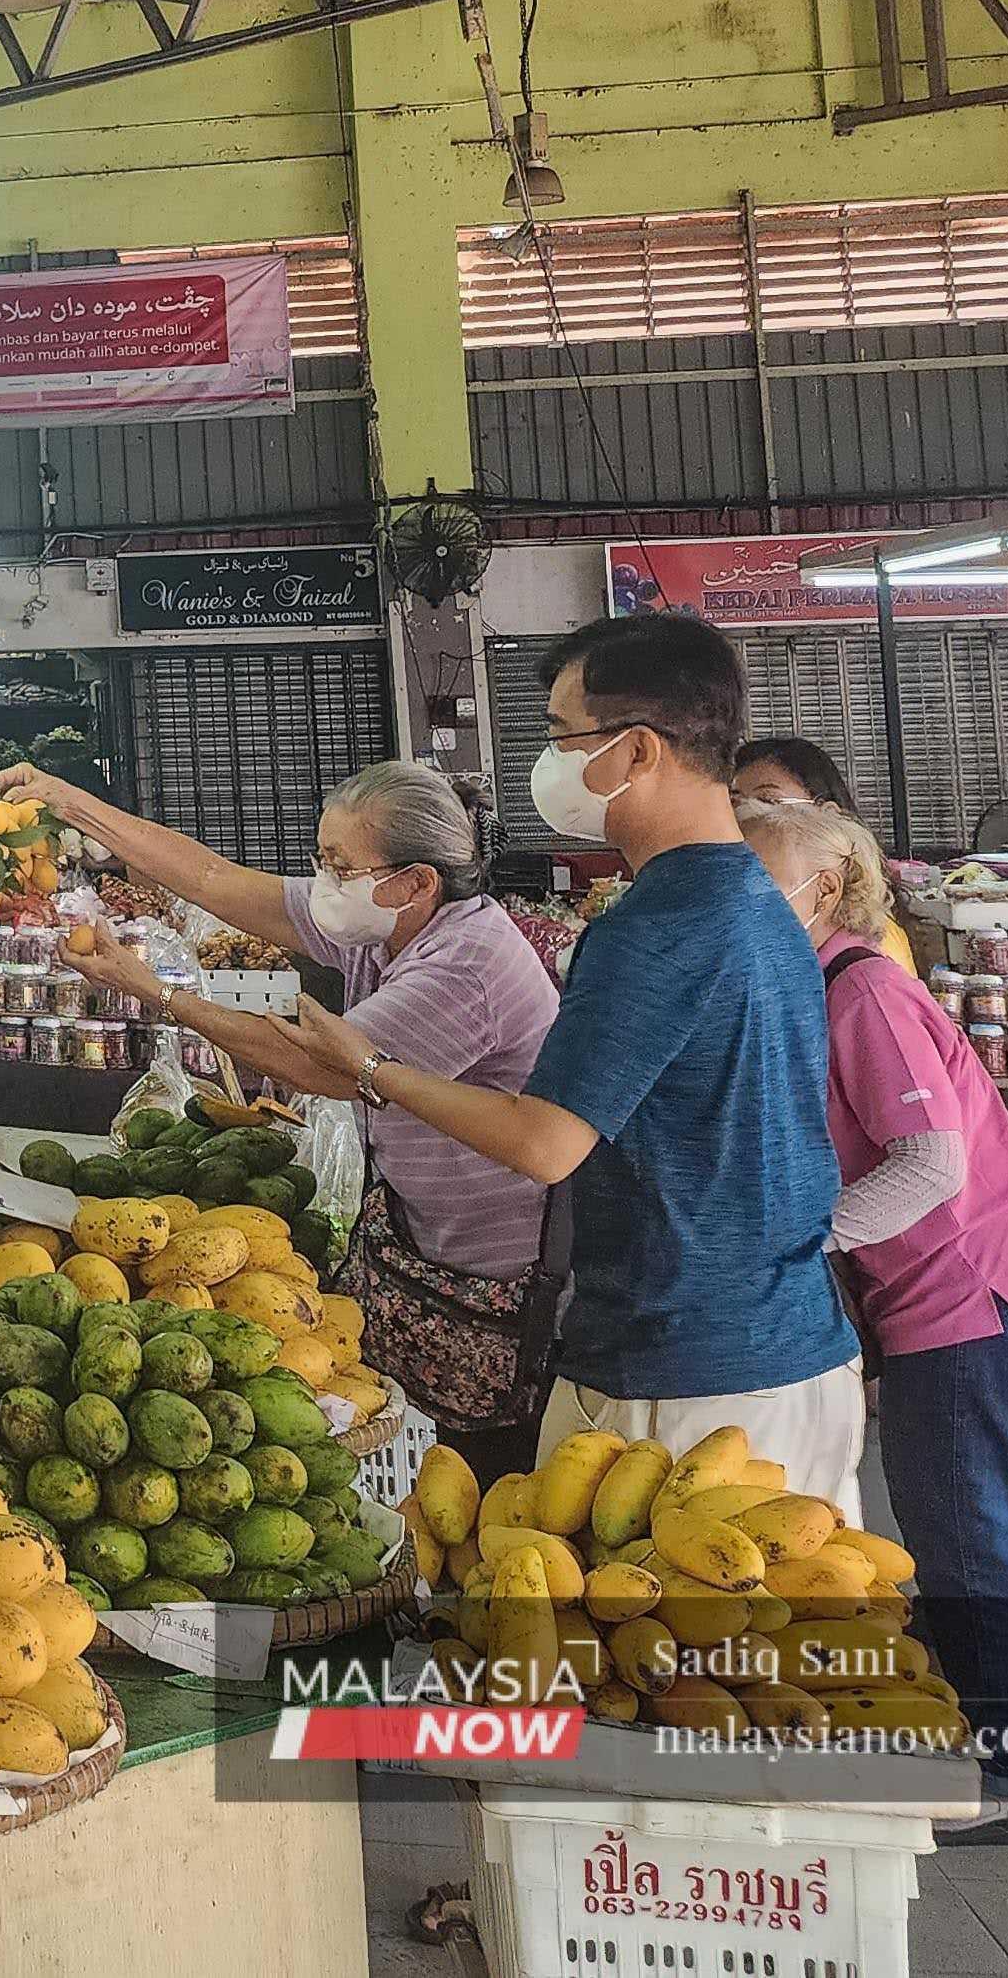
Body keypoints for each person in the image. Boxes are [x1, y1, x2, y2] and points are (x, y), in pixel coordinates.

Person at [279, 613, 864, 1511]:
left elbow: (546, 1143)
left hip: (687, 1369)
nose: (546, 761)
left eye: (560, 736)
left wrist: (370, 1066)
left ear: (634, 751)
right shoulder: (755, 898)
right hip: (785, 1339)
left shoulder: (656, 929)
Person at [0, 757, 565, 1483]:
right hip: (421, 1244)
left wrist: (157, 993)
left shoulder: (464, 966)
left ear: (416, 880)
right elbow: (211, 881)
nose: (324, 881)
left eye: (340, 865)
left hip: (489, 1276)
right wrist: (74, 802)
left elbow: (312, 1066)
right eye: (319, 860)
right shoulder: (385, 926)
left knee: (480, 1477)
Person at [741, 795, 1008, 1839]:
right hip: (942, 1296)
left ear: (827, 886)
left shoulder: (866, 995)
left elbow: (928, 1166)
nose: (740, 901)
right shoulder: (816, 983)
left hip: (972, 1291)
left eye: (761, 879)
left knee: (963, 1533)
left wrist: (801, 1243)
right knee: (968, 1523)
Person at [733, 734, 919, 973]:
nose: (747, 813)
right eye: (735, 802)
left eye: (768, 801)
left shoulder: (870, 964)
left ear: (828, 814)